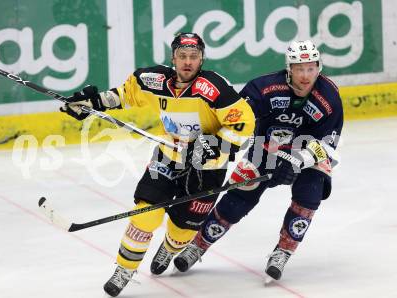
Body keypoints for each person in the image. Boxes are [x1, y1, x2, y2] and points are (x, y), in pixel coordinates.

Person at [61, 32, 255, 296]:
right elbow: (123, 95)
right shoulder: (152, 80)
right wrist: (91, 102)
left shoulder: (214, 88)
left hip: (208, 168)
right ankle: (124, 269)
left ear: (202, 59)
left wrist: (210, 147)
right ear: (173, 58)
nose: (188, 62)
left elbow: (243, 124)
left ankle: (170, 247)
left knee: (183, 231)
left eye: (194, 57)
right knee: (145, 213)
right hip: (169, 156)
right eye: (182, 56)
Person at [173, 40, 344, 282]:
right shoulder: (263, 88)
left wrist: (297, 161)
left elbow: (328, 145)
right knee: (239, 196)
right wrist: (216, 146)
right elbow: (238, 122)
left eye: (311, 68)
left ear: (319, 67)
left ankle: (283, 250)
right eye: (299, 69)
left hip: (306, 156)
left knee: (310, 192)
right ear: (289, 69)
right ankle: (198, 245)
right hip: (265, 149)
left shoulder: (329, 97)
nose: (306, 76)